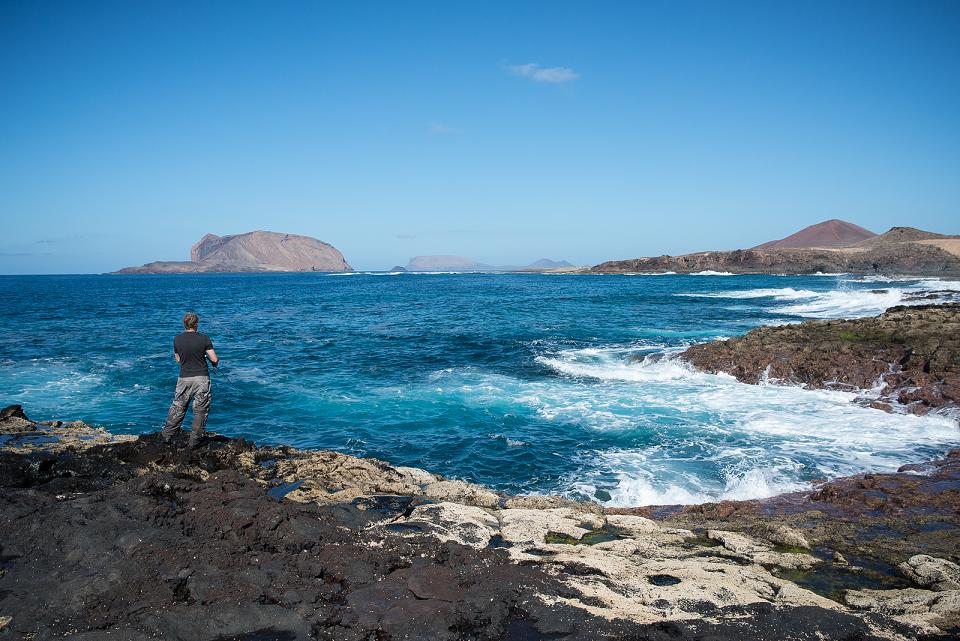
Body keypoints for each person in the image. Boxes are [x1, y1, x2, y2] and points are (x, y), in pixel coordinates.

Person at [162, 312, 219, 448]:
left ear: (184, 324)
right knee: (200, 410)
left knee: (178, 407)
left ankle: (167, 436)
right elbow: (214, 359)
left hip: (184, 378)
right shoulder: (204, 339)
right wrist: (213, 363)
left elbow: (178, 360)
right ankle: (194, 443)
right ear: (196, 324)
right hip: (201, 378)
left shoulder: (177, 339)